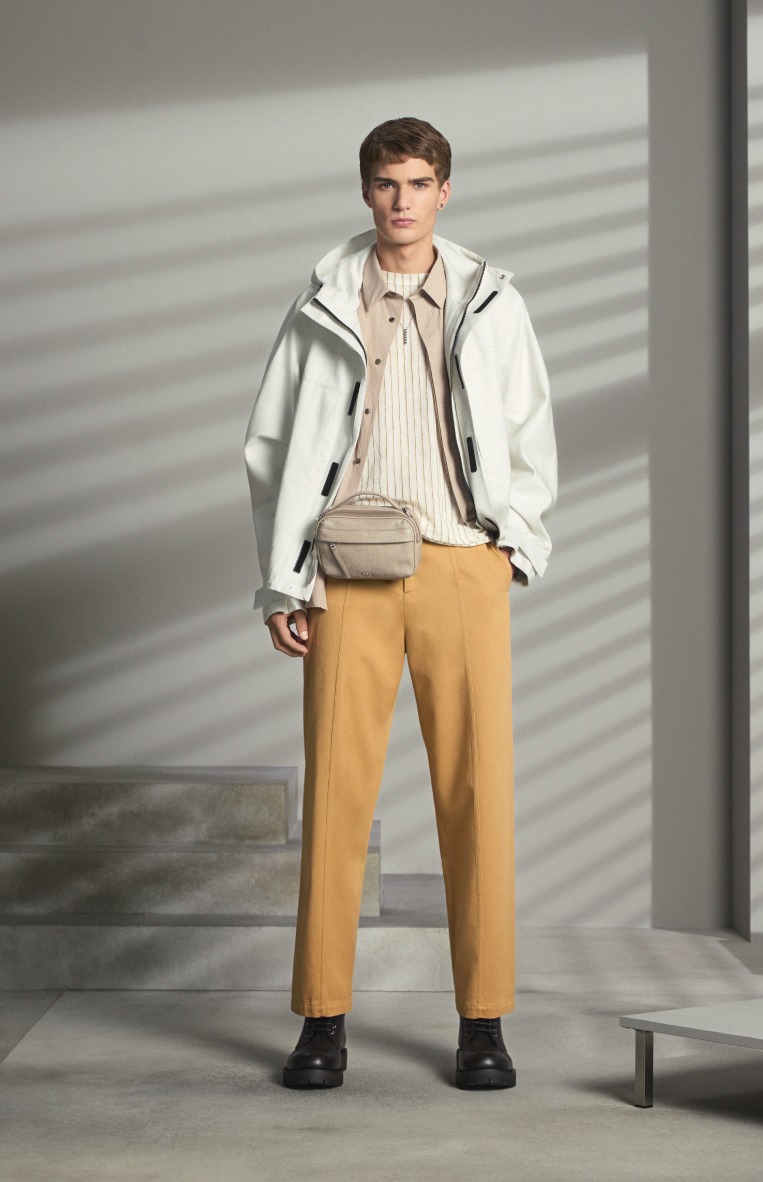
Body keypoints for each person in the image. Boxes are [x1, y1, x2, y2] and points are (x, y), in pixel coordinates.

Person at [244, 116, 557, 1090]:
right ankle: (321, 1021)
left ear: (444, 191)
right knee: (337, 796)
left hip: (463, 565)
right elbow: (271, 446)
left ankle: (483, 1021)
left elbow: (530, 427)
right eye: (386, 183)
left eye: (419, 183)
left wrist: (514, 547)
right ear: (365, 190)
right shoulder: (323, 302)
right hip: (348, 571)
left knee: (478, 796)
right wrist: (283, 578)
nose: (402, 200)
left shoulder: (491, 300)